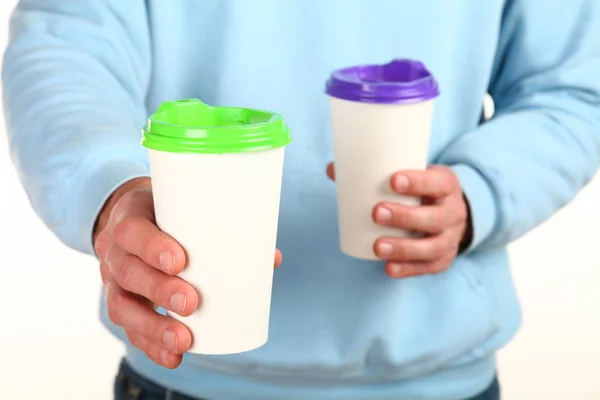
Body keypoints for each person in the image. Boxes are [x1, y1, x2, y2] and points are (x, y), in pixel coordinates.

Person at [3, 0, 600, 399]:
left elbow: (575, 83)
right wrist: (111, 190)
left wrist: (477, 193)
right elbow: (65, 45)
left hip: (440, 379)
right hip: (180, 374)